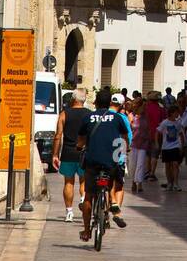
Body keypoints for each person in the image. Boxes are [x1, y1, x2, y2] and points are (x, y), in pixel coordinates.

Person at [76, 87, 132, 242]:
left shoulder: (88, 117)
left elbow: (80, 140)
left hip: (92, 161)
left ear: (95, 102)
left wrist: (79, 147)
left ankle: (87, 230)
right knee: (109, 185)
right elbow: (124, 137)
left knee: (88, 195)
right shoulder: (118, 118)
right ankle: (110, 205)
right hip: (110, 161)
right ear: (109, 103)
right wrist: (124, 149)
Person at [52, 89, 87, 222]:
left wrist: (55, 154)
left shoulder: (64, 114)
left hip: (68, 152)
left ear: (73, 99)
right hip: (84, 152)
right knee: (84, 180)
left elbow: (58, 136)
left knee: (68, 181)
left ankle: (69, 212)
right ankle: (84, 199)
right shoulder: (90, 115)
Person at [107, 91, 131, 224]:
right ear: (121, 105)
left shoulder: (102, 116)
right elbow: (128, 138)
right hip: (118, 156)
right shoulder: (122, 119)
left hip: (102, 156)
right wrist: (127, 149)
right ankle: (117, 212)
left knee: (105, 184)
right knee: (119, 185)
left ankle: (105, 211)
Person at [157, 106, 185, 189]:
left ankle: (176, 183)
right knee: (167, 165)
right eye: (176, 112)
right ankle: (169, 182)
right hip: (166, 147)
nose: (178, 114)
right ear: (172, 113)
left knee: (175, 164)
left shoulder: (178, 123)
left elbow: (180, 134)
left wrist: (182, 145)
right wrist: (157, 143)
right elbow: (158, 131)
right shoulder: (165, 123)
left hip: (175, 146)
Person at [128, 96, 151, 193]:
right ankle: (133, 182)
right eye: (143, 106)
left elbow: (148, 129)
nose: (145, 108)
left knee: (141, 163)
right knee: (133, 164)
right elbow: (128, 130)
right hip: (133, 143)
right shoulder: (131, 116)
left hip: (143, 143)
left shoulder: (146, 116)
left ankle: (140, 183)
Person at [145, 91, 165, 181]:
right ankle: (152, 173)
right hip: (157, 134)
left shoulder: (145, 108)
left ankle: (147, 171)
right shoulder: (161, 109)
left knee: (147, 154)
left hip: (146, 134)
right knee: (154, 155)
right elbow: (164, 121)